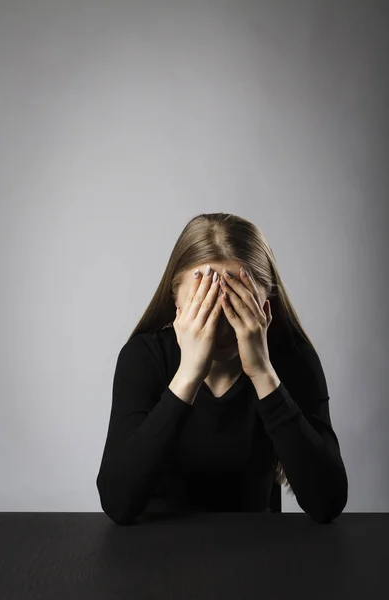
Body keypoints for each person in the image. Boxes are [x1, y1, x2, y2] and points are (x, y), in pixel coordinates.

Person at [96, 212, 348, 525]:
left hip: (257, 552)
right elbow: (117, 502)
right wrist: (189, 374)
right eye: (205, 301)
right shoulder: (144, 358)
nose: (220, 325)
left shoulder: (293, 359)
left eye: (236, 302)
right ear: (176, 301)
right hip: (156, 557)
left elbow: (329, 502)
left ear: (264, 306)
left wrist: (262, 373)